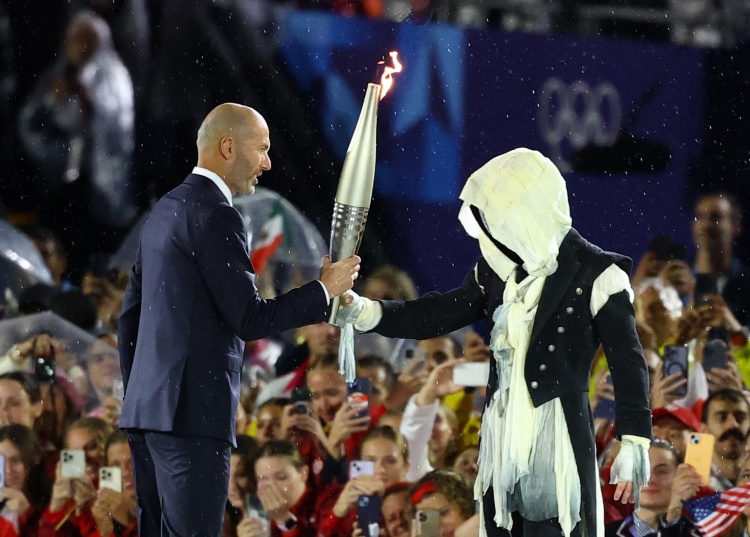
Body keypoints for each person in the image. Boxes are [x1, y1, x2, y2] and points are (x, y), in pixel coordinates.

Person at [337, 148, 652, 536]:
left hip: (558, 441)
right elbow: (437, 314)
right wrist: (369, 312)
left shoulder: (599, 273)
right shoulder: (496, 271)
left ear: (531, 209)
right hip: (501, 440)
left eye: (502, 217)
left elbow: (628, 362)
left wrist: (633, 439)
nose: (495, 230)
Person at [118, 102, 361, 537]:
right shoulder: (216, 214)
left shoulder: (165, 210)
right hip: (192, 419)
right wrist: (324, 289)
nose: (267, 163)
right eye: (261, 149)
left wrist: (142, 393)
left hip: (146, 414)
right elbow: (249, 317)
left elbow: (130, 318)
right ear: (228, 147)